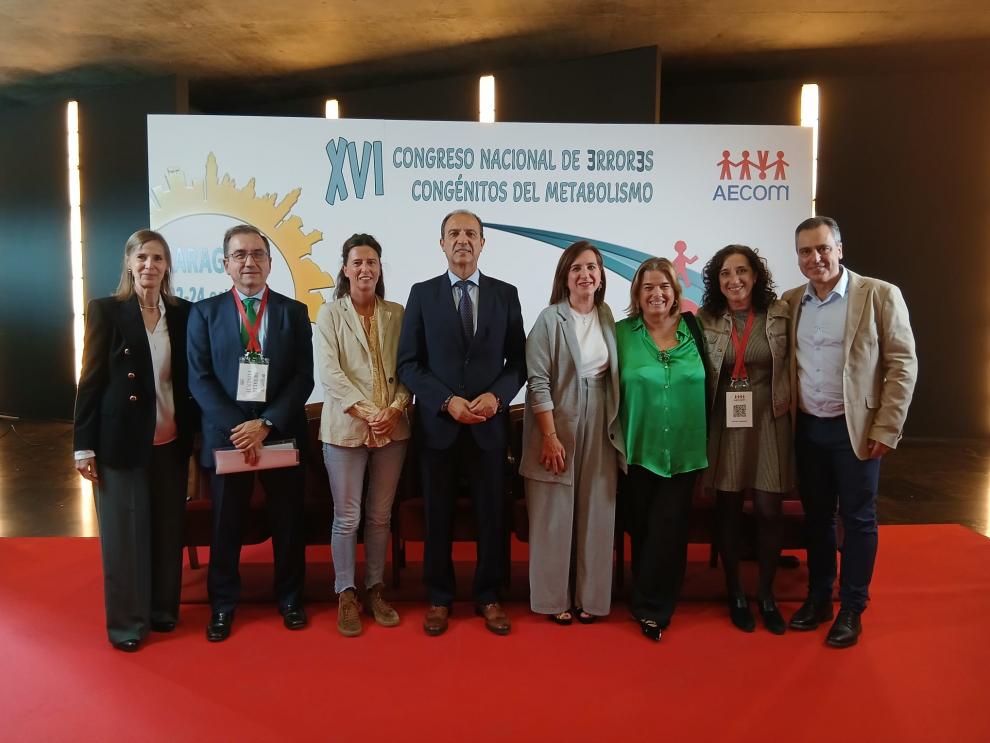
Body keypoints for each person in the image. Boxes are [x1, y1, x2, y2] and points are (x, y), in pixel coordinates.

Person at [783, 216, 917, 648]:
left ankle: (853, 606)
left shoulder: (878, 295)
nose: (815, 258)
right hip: (807, 429)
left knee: (858, 520)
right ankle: (819, 596)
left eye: (823, 248)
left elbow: (902, 364)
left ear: (839, 248)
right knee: (818, 518)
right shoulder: (790, 302)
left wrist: (887, 426)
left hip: (854, 430)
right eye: (806, 251)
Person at [396, 209, 526, 636]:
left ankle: (488, 595)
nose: (463, 240)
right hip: (440, 428)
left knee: (492, 515)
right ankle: (439, 597)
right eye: (454, 234)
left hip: (489, 428)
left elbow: (518, 363)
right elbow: (409, 365)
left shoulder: (506, 294)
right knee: (438, 517)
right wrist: (445, 401)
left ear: (483, 243)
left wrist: (497, 396)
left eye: (471, 233)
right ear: (441, 243)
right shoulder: (422, 294)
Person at [187, 224, 314, 642]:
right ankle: (223, 605)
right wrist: (239, 429)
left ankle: (291, 599)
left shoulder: (292, 313)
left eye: (258, 254)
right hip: (229, 439)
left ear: (270, 263)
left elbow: (303, 377)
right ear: (226, 264)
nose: (249, 262)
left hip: (279, 433)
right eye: (240, 255)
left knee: (288, 521)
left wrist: (266, 424)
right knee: (226, 524)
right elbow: (200, 379)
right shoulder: (203, 313)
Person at [73, 229, 196, 652]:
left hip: (171, 438)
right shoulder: (107, 312)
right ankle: (127, 624)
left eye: (158, 258)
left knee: (166, 531)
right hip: (120, 442)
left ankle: (162, 612)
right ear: (129, 263)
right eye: (142, 257)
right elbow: (89, 382)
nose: (150, 266)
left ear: (167, 267)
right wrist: (82, 445)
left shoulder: (182, 314)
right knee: (125, 537)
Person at [520, 241, 626, 625]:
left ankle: (591, 599)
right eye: (577, 268)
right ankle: (553, 599)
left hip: (602, 418)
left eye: (593, 268)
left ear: (601, 277)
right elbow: (537, 382)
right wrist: (549, 436)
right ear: (565, 276)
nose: (586, 274)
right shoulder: (550, 319)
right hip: (556, 420)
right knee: (555, 511)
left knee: (597, 508)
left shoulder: (609, 317)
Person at [314, 234, 410, 637]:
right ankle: (345, 593)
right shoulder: (329, 314)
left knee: (379, 516)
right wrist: (370, 413)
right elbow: (331, 375)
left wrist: (395, 408)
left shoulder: (398, 313)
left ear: (380, 267)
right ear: (345, 268)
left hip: (393, 428)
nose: (365, 268)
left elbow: (409, 368)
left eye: (372, 261)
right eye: (358, 262)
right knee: (347, 517)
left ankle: (375, 589)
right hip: (345, 429)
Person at [698, 245, 794, 635]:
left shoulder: (781, 315)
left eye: (741, 271)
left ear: (756, 276)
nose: (733, 280)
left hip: (770, 419)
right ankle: (736, 593)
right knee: (729, 510)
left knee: (770, 510)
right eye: (724, 273)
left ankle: (766, 595)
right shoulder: (705, 320)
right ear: (715, 281)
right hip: (726, 422)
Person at [616, 257, 708, 642]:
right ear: (636, 294)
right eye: (648, 287)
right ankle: (648, 594)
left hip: (685, 447)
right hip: (637, 447)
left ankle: (653, 608)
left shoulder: (696, 329)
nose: (656, 294)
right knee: (642, 526)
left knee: (669, 525)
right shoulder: (619, 333)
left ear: (675, 293)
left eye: (663, 287)